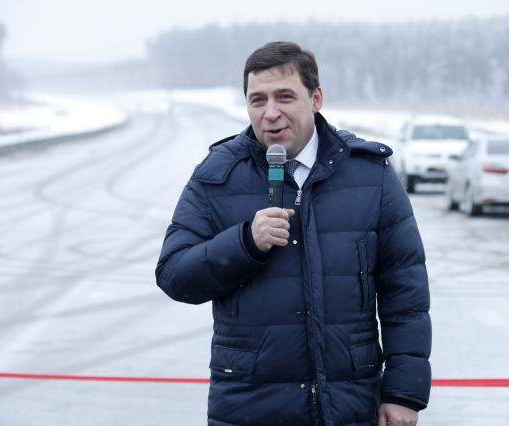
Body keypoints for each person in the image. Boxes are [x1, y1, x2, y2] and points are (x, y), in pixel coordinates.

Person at [156, 41, 431, 426]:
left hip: (349, 406)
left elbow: (405, 292)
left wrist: (403, 394)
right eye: (258, 100)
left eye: (284, 96)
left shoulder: (370, 175)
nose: (270, 113)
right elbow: (173, 274)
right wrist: (245, 243)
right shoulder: (217, 176)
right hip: (248, 408)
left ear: (315, 98)